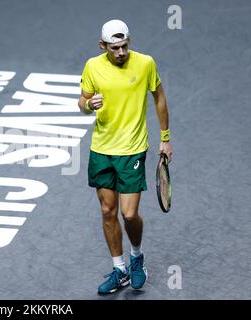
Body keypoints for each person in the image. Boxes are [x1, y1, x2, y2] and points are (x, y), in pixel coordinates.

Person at [78, 19, 173, 294]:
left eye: (124, 46)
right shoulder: (92, 66)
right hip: (102, 150)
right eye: (114, 48)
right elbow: (82, 103)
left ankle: (136, 257)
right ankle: (119, 269)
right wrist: (88, 105)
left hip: (132, 149)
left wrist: (165, 138)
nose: (121, 52)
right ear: (102, 46)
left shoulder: (145, 64)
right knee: (108, 211)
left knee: (129, 214)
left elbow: (159, 98)